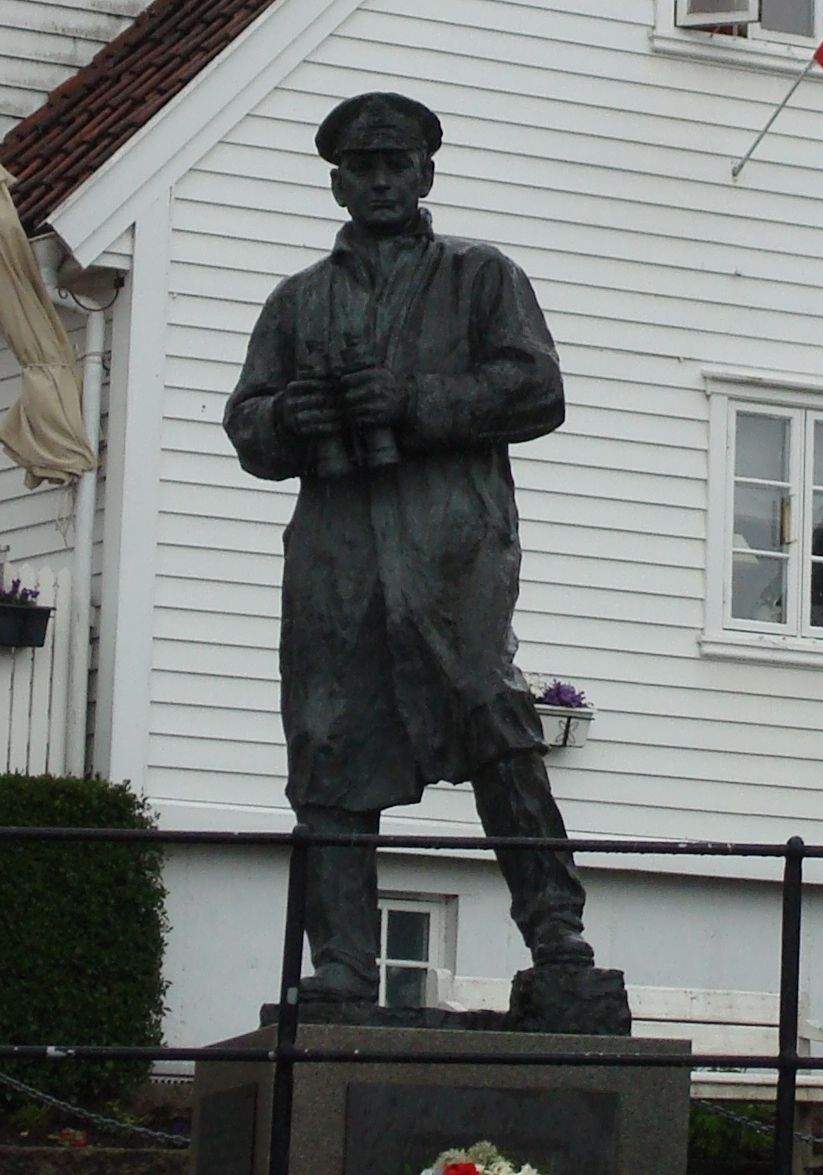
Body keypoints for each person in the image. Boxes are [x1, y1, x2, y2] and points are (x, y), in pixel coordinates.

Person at [223, 91, 602, 1009]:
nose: (383, 180)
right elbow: (247, 423)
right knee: (326, 743)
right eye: (365, 165)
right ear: (338, 180)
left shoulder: (481, 278)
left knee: (494, 721)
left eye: (398, 164)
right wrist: (286, 418)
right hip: (337, 558)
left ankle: (557, 935)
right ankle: (344, 964)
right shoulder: (298, 300)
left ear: (427, 173)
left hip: (450, 551)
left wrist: (413, 402)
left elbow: (537, 388)